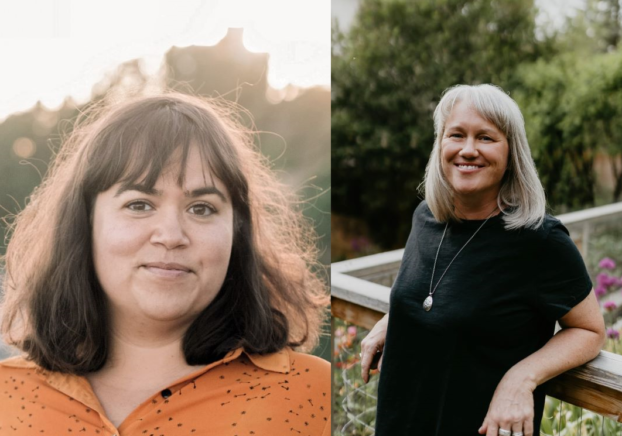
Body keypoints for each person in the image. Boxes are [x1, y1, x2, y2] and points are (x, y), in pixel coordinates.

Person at [0, 93, 331, 435]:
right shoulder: (5, 399)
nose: (171, 235)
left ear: (237, 232)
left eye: (201, 208)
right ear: (85, 223)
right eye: (140, 204)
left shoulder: (313, 394)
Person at [359, 84, 605, 436]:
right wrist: (397, 318)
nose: (468, 150)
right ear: (440, 145)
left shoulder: (540, 240)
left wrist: (521, 378)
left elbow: (590, 330)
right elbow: (438, 290)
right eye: (456, 134)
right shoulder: (426, 218)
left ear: (511, 154)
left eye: (486, 138)